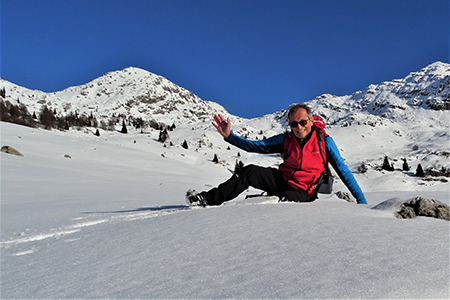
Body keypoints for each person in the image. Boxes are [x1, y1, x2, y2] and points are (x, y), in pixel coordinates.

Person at [186, 103, 367, 206]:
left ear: (311, 121)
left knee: (282, 201)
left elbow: (344, 171)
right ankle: (207, 200)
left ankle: (262, 202)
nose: (299, 127)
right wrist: (230, 137)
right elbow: (256, 146)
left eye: (303, 122)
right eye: (293, 124)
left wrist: (362, 201)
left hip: (304, 191)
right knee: (249, 172)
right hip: (282, 179)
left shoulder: (324, 142)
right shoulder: (286, 139)